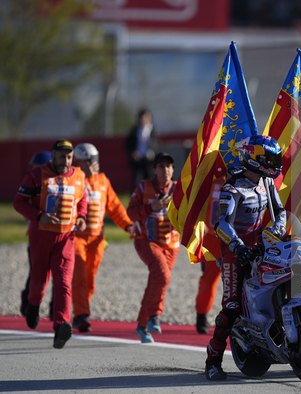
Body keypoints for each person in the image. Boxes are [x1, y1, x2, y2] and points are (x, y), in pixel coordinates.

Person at [205, 135, 286, 381]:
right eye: (269, 159)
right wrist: (238, 246)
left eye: (275, 158)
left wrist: (276, 231)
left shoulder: (268, 183)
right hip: (236, 251)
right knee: (230, 308)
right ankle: (213, 361)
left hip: (264, 245)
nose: (274, 163)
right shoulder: (232, 187)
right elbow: (222, 224)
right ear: (254, 158)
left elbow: (280, 212)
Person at [13, 139, 87, 349]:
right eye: (62, 156)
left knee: (64, 283)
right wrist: (38, 216)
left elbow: (82, 201)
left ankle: (61, 325)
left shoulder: (79, 176)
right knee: (38, 285)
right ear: (52, 156)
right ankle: (33, 305)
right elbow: (18, 202)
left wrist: (81, 218)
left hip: (66, 240)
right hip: (41, 239)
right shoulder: (36, 176)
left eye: (69, 156)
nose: (65, 160)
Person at [71, 143, 134, 333]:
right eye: (86, 161)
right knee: (80, 275)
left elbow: (114, 207)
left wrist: (128, 225)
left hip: (97, 239)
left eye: (93, 160)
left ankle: (79, 309)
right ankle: (81, 315)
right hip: (76, 237)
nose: (91, 164)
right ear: (79, 162)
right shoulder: (72, 180)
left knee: (90, 279)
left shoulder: (103, 181)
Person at [127, 152, 179, 343]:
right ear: (154, 169)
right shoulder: (144, 187)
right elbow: (131, 212)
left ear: (173, 169)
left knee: (157, 281)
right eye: (161, 166)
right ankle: (154, 316)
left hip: (172, 244)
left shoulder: (178, 188)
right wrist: (151, 207)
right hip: (147, 241)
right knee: (163, 275)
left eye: (168, 166)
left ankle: (142, 326)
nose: (165, 170)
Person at [20, 151, 52, 317]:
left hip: (54, 238)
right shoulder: (33, 188)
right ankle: (27, 304)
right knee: (36, 275)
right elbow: (23, 207)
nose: (36, 170)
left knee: (60, 278)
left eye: (38, 167)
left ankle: (55, 309)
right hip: (36, 240)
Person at [195, 176, 224, 334]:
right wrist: (200, 226)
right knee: (208, 281)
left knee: (241, 282)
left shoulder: (247, 179)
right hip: (213, 240)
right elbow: (197, 206)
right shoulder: (211, 182)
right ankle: (201, 316)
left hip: (237, 240)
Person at [125, 109, 158, 192]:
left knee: (149, 179)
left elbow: (156, 144)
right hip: (138, 159)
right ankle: (135, 198)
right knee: (137, 180)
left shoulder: (152, 130)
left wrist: (152, 152)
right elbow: (128, 144)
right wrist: (133, 153)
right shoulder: (135, 131)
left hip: (149, 160)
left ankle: (149, 197)